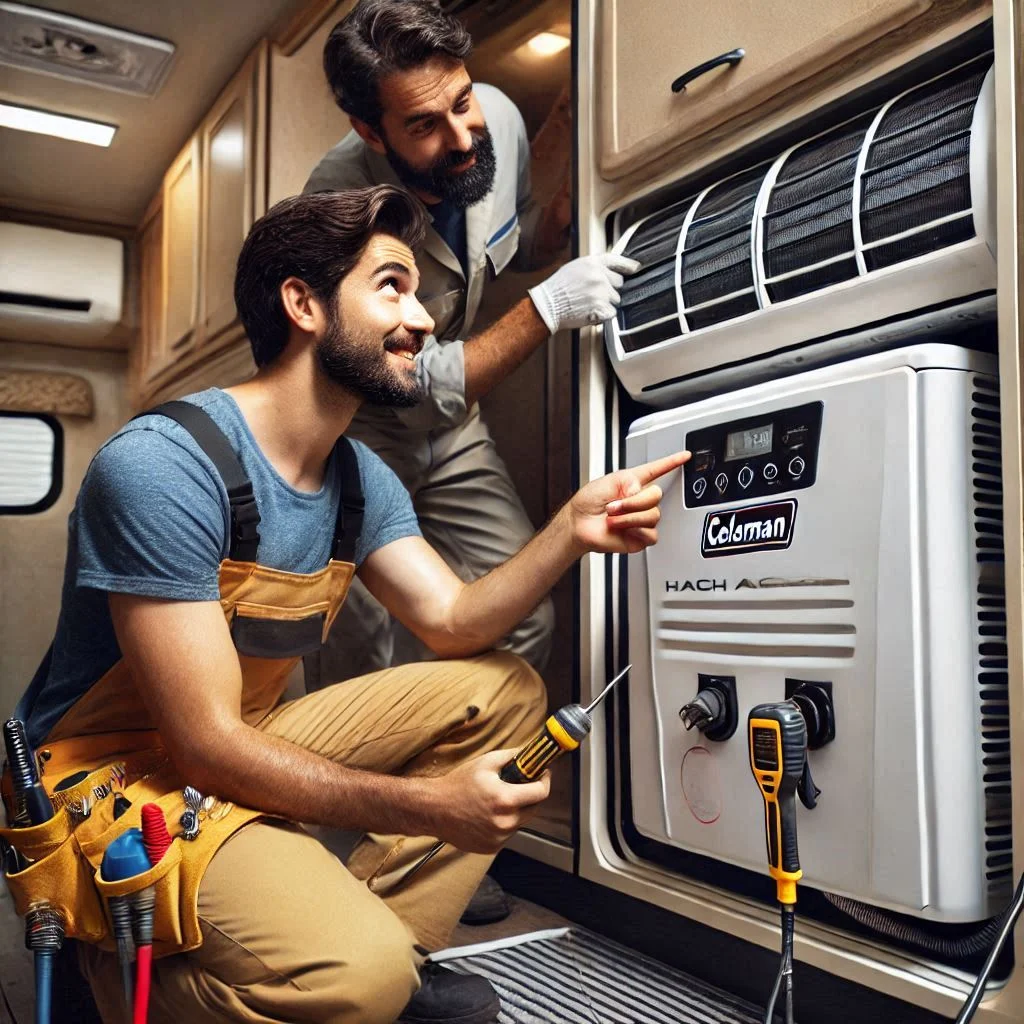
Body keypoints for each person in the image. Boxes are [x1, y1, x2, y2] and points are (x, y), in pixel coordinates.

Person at [5, 187, 687, 1024]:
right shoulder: (161, 466)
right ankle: (111, 974)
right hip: (108, 774)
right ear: (304, 305)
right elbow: (204, 746)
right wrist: (429, 808)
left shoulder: (361, 478)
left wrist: (571, 530)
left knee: (503, 689)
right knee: (353, 978)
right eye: (392, 287)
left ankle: (379, 958)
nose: (425, 321)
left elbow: (452, 622)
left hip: (226, 744)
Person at [304, 0, 639, 684]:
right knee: (358, 644)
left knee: (525, 616)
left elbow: (503, 246)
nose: (461, 137)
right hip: (360, 431)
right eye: (424, 125)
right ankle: (371, 791)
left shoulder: (499, 120)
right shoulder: (336, 204)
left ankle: (457, 779)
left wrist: (555, 234)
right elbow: (404, 378)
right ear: (371, 130)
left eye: (461, 100)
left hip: (454, 430)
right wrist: (547, 309)